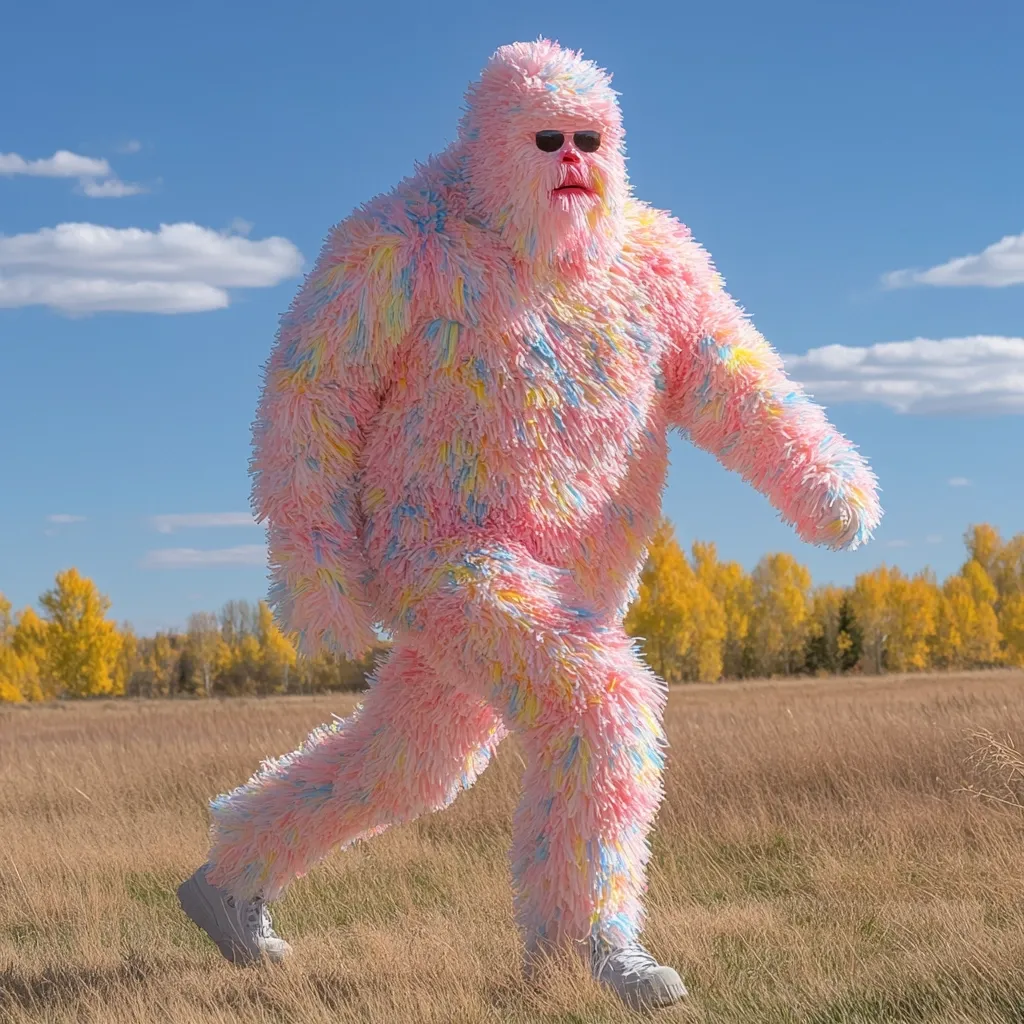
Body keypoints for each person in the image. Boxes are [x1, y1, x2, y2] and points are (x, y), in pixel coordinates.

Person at [176, 38, 881, 1011]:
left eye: (590, 139)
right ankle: (584, 941)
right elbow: (310, 405)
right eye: (545, 138)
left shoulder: (655, 263)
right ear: (486, 146)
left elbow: (733, 379)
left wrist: (818, 473)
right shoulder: (401, 247)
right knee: (606, 707)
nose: (571, 161)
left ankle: (227, 879)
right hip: (441, 551)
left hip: (574, 571)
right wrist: (315, 564)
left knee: (411, 763)